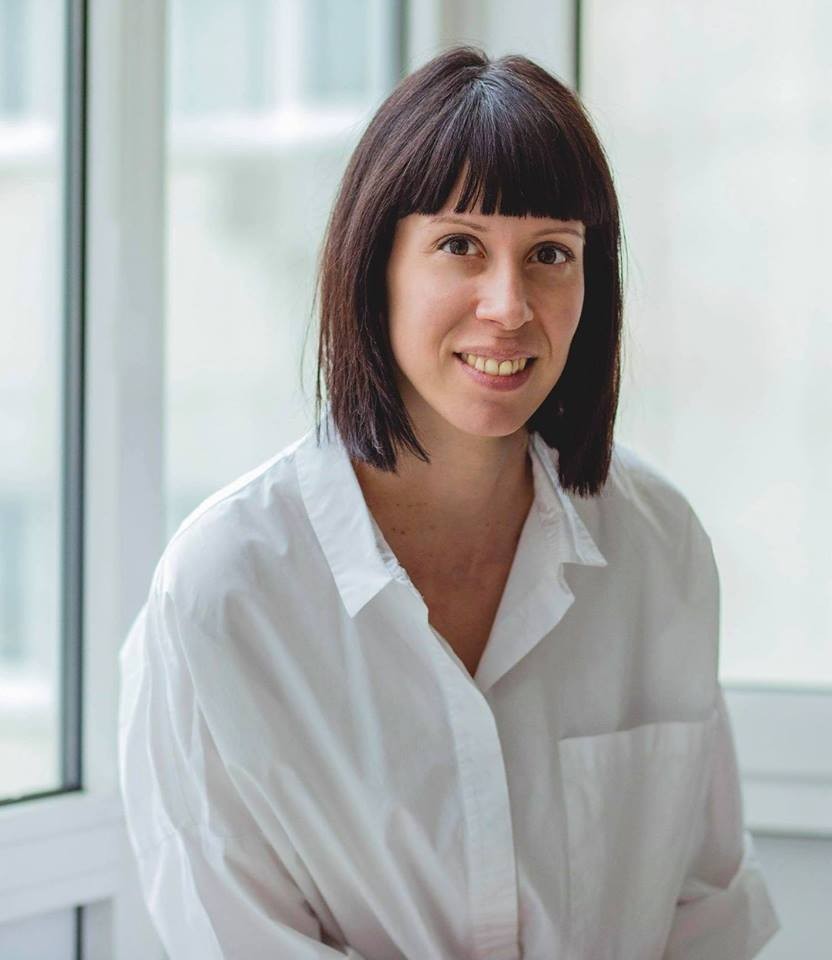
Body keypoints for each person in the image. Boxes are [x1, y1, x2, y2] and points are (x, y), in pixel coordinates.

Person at [118, 45, 780, 959]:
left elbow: (704, 908)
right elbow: (235, 938)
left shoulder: (657, 543)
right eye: (460, 245)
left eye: (550, 254)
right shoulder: (223, 591)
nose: (509, 305)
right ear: (375, 266)